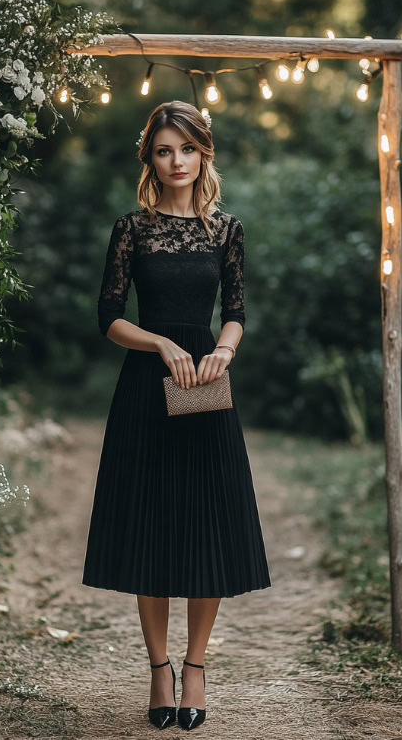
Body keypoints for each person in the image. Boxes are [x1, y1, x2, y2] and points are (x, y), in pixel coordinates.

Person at [82, 100, 271, 731]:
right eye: (164, 150)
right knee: (152, 528)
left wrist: (222, 349)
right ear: (151, 160)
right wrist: (159, 343)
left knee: (206, 529)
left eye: (186, 149)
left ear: (203, 154)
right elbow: (108, 315)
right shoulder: (130, 230)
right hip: (145, 388)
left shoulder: (227, 231)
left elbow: (237, 310)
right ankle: (158, 670)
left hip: (206, 390)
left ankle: (196, 667)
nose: (176, 161)